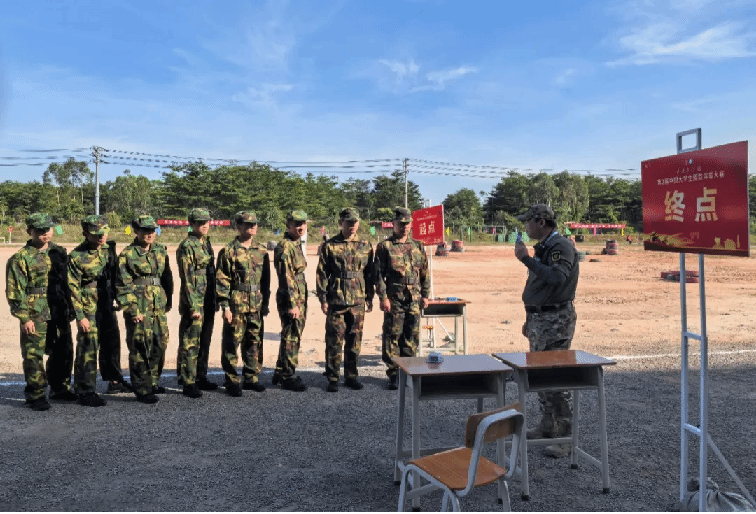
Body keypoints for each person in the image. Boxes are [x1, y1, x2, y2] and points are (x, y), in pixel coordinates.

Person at [514, 204, 580, 459]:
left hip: (555, 319)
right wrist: (529, 318)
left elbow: (557, 278)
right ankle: (549, 424)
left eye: (528, 222)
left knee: (555, 377)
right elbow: (538, 284)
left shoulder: (560, 246)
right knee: (540, 375)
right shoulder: (544, 247)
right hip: (541, 319)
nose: (526, 227)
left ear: (541, 222)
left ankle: (566, 436)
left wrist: (526, 259)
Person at [6, 213, 76, 411]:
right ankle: (35, 395)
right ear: (29, 231)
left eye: (48, 229)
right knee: (33, 354)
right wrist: (24, 317)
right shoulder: (20, 258)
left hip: (59, 310)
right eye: (40, 230)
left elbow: (68, 282)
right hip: (35, 312)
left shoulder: (60, 252)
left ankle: (60, 389)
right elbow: (14, 292)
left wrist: (71, 307)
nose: (45, 233)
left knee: (63, 350)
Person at [68, 215, 127, 407]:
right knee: (88, 348)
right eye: (96, 234)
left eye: (104, 233)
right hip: (88, 308)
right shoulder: (76, 256)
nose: (101, 237)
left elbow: (115, 276)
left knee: (112, 343)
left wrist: (119, 299)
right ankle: (85, 390)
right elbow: (73, 289)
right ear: (85, 233)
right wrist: (80, 316)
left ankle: (115, 381)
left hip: (106, 304)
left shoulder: (109, 250)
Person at [316, 208, 375, 392]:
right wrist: (323, 298)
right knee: (334, 340)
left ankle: (351, 376)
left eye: (355, 222)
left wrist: (370, 296)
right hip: (336, 300)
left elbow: (370, 273)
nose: (352, 226)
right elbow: (322, 274)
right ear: (341, 222)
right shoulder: (330, 246)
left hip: (357, 301)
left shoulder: (366, 245)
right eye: (349, 222)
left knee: (354, 340)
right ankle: (333, 377)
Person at [116, 215, 174, 404]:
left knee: (160, 343)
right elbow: (122, 284)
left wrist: (167, 301)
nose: (149, 234)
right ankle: (141, 388)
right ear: (136, 231)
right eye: (145, 230)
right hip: (139, 305)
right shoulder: (127, 254)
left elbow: (167, 277)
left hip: (158, 306)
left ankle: (153, 382)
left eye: (152, 230)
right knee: (140, 346)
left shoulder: (160, 250)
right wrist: (132, 309)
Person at [216, 211, 271, 397]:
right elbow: (222, 280)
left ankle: (251, 377)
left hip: (256, 303)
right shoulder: (228, 251)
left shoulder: (261, 251)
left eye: (254, 224)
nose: (252, 227)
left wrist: (265, 303)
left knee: (254, 341)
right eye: (248, 224)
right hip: (236, 304)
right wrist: (225, 306)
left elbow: (266, 280)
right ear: (238, 226)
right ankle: (231, 380)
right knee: (232, 343)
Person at [374, 207, 430, 390]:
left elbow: (424, 273)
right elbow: (378, 275)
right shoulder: (385, 247)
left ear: (411, 225)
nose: (404, 227)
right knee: (393, 335)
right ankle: (393, 374)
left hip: (413, 298)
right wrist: (383, 297)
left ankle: (409, 372)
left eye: (407, 224)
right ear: (394, 224)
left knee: (411, 336)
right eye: (400, 224)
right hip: (395, 298)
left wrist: (425, 295)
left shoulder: (418, 246)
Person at [176, 208, 218, 399]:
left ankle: (200, 376)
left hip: (208, 297)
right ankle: (188, 381)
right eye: (200, 222)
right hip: (195, 299)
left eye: (206, 222)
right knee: (190, 340)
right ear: (191, 224)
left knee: (204, 339)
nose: (204, 225)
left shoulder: (206, 243)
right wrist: (193, 305)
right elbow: (187, 277)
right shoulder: (187, 245)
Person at [272, 210, 309, 392]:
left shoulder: (296, 243)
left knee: (291, 334)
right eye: (296, 224)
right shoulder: (286, 247)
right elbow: (286, 278)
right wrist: (293, 304)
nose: (300, 227)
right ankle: (288, 376)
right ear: (288, 226)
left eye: (303, 223)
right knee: (291, 337)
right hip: (291, 297)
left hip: (298, 295)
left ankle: (280, 371)